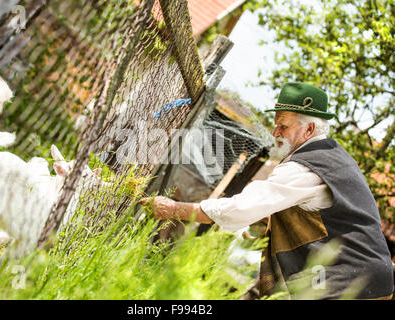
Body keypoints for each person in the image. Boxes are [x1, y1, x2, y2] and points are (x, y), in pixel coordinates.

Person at [139, 82, 394, 300]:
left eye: (283, 126)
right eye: (276, 125)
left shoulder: (306, 167)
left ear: (309, 129)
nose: (275, 133)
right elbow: (309, 215)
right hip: (367, 277)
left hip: (352, 279)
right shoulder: (329, 157)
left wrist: (174, 209)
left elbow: (243, 207)